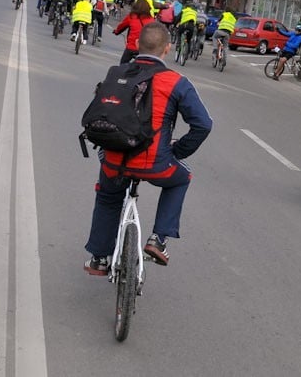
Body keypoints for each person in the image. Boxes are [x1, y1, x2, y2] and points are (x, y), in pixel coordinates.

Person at [84, 23, 212, 275]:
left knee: (108, 196)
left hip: (115, 160)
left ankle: (99, 257)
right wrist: (177, 151)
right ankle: (158, 239)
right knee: (181, 178)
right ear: (167, 48)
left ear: (135, 46)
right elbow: (203, 124)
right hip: (155, 163)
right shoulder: (176, 82)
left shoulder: (116, 72)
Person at [113, 0, 155, 64]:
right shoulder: (151, 20)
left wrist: (116, 31)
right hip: (145, 50)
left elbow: (122, 26)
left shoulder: (131, 17)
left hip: (131, 47)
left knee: (123, 65)